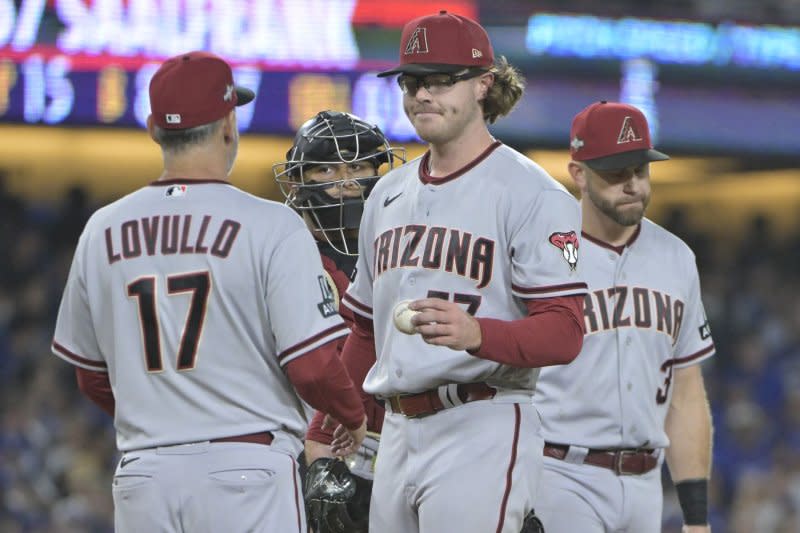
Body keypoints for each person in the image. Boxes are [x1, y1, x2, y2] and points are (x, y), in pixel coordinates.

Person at [50, 51, 366, 533]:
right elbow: (314, 366)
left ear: (155, 130)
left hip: (143, 476)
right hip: (246, 469)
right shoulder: (271, 224)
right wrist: (351, 415)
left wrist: (164, 414)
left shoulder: (102, 229)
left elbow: (91, 378)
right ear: (228, 126)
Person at [320, 11, 588, 533]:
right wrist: (336, 422)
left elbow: (566, 330)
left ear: (484, 85)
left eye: (442, 80)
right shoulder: (386, 195)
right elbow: (364, 331)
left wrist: (477, 333)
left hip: (481, 421)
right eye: (413, 81)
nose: (423, 94)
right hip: (396, 431)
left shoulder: (533, 194)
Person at [533, 101, 715, 533]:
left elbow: (686, 392)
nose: (632, 184)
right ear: (578, 173)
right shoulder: (540, 249)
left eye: (640, 169)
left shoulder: (676, 257)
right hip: (558, 473)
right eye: (616, 172)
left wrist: (696, 517)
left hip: (644, 484)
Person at [273, 110, 404, 532]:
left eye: (359, 165)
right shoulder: (276, 254)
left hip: (399, 451)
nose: (346, 179)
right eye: (327, 167)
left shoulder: (409, 252)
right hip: (297, 453)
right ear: (297, 182)